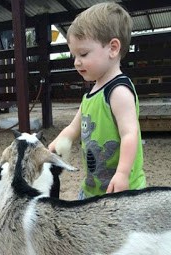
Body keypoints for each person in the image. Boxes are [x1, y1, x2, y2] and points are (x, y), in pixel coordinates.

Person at [48, 2, 146, 199]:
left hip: (123, 189)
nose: (76, 61)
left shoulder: (118, 91)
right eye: (74, 55)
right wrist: (58, 142)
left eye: (83, 54)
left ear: (113, 48)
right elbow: (73, 128)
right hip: (94, 187)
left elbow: (130, 134)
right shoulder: (91, 94)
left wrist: (122, 174)